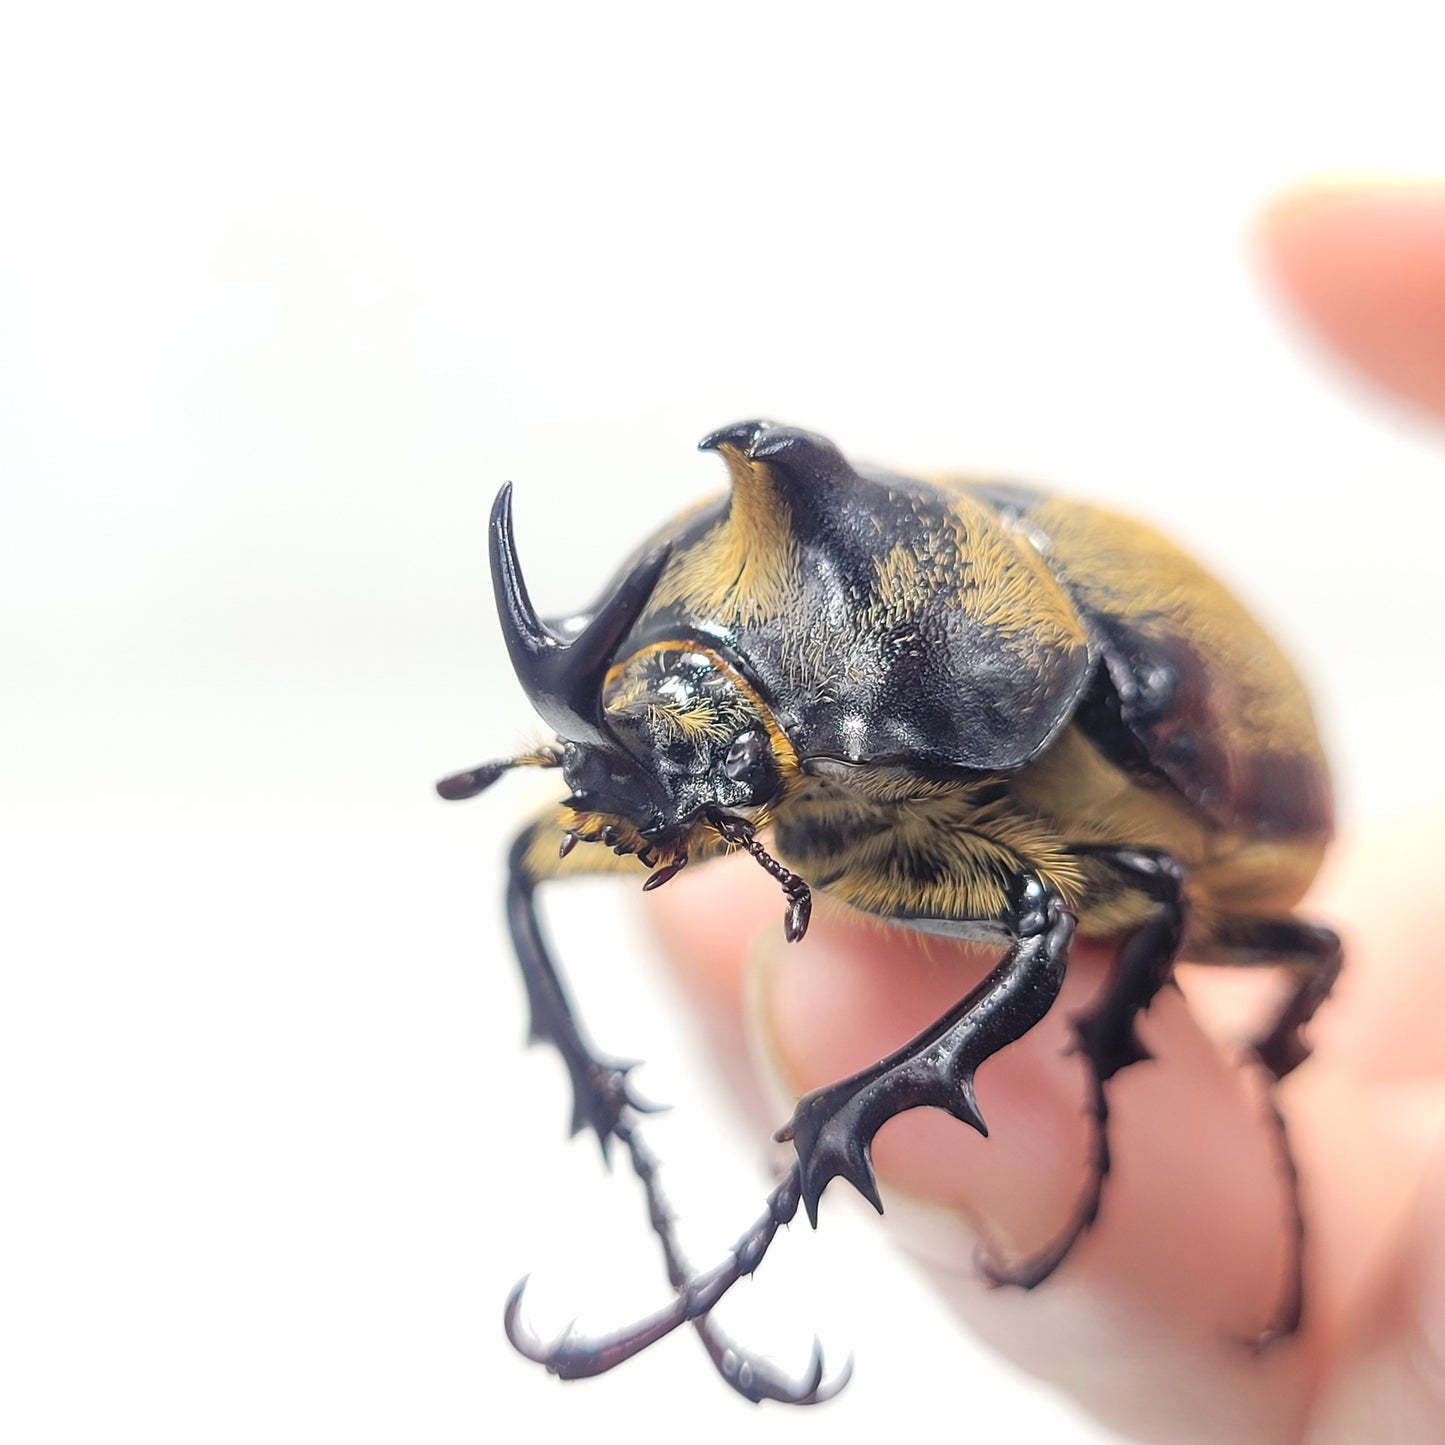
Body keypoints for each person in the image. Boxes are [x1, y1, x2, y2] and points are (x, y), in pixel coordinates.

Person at [647, 179, 1445, 1443]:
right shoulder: (860, 644)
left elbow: (1136, 890)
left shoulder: (995, 669)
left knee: (1141, 900)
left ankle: (1159, 1103)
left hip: (1224, 830)